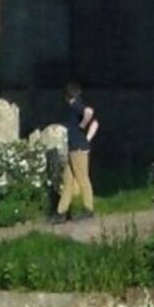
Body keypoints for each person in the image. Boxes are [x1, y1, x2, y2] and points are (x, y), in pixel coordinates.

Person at [57, 83, 99, 223]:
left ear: (67, 96)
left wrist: (82, 125)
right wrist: (87, 137)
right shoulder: (76, 106)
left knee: (82, 179)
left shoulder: (75, 106)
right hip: (76, 147)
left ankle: (88, 209)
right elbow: (95, 123)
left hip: (77, 148)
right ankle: (61, 212)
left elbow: (89, 112)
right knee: (68, 180)